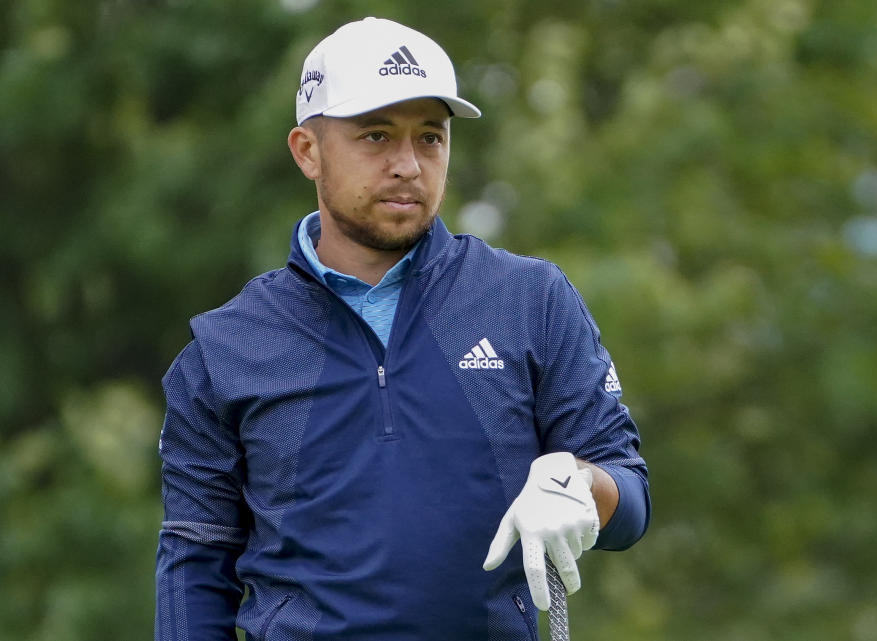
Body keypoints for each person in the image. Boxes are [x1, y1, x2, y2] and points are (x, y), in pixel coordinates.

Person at [155, 16, 649, 641]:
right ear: (307, 150)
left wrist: (583, 486)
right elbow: (195, 566)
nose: (408, 165)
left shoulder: (532, 300)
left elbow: (629, 496)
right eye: (376, 136)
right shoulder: (224, 348)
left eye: (430, 138)